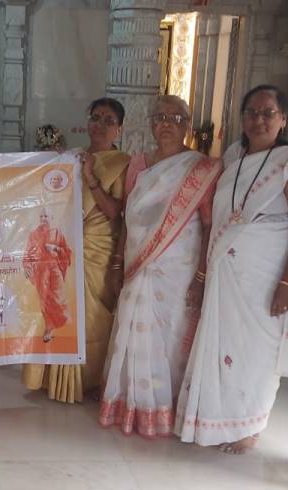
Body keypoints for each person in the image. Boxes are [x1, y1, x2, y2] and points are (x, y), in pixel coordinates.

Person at [175, 85, 288, 454]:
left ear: (283, 119)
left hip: (267, 275)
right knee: (225, 345)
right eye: (252, 112)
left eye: (268, 112)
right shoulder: (233, 157)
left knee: (257, 351)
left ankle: (250, 425)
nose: (259, 120)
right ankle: (216, 419)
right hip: (226, 273)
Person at [99, 95, 222, 438]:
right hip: (137, 265)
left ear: (188, 126)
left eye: (175, 118)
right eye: (160, 118)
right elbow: (128, 218)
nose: (167, 124)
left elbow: (208, 225)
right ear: (151, 124)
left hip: (178, 270)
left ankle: (164, 409)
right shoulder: (138, 164)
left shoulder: (202, 169)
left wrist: (201, 275)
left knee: (170, 335)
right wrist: (118, 263)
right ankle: (128, 404)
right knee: (132, 328)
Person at [23, 97, 129, 404]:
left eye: (109, 121)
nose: (100, 125)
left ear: (119, 129)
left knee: (91, 318)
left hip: (97, 250)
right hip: (63, 246)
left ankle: (87, 381)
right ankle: (51, 379)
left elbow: (115, 212)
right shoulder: (73, 158)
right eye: (95, 118)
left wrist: (91, 179)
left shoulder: (122, 164)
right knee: (56, 307)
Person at [22, 208, 72, 343]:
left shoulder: (57, 232)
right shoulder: (34, 235)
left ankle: (63, 323)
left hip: (55, 270)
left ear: (51, 217)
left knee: (58, 298)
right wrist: (27, 267)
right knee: (45, 300)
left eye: (46, 216)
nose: (43, 218)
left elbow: (67, 251)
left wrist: (55, 248)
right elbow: (27, 255)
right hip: (41, 272)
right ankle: (49, 327)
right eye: (41, 216)